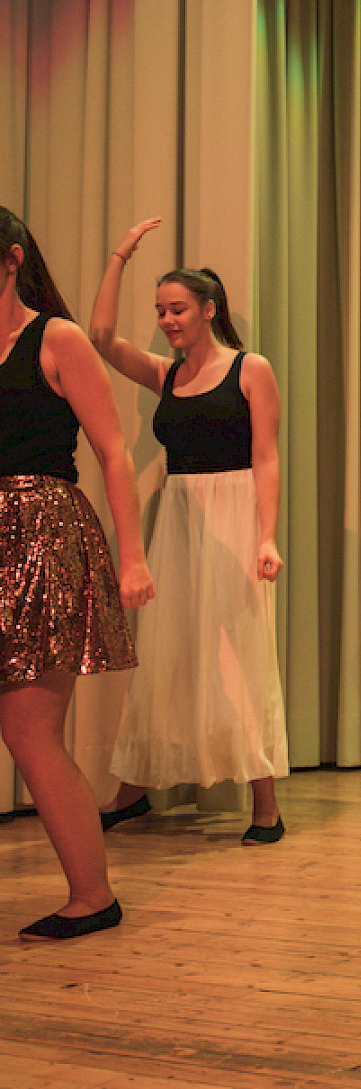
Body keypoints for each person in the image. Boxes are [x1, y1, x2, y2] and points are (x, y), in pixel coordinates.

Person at [88, 221, 289, 841]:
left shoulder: (250, 369)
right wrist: (120, 256)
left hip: (235, 516)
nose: (167, 320)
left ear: (208, 309)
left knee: (241, 658)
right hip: (179, 518)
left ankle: (266, 806)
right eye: (160, 311)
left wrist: (267, 536)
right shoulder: (166, 375)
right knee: (167, 651)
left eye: (176, 309)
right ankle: (134, 791)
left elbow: (266, 458)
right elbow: (100, 339)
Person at [0, 208, 153, 939]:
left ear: (11, 260)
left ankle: (93, 896)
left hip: (42, 534)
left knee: (29, 730)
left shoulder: (55, 338)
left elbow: (113, 450)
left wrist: (133, 556)